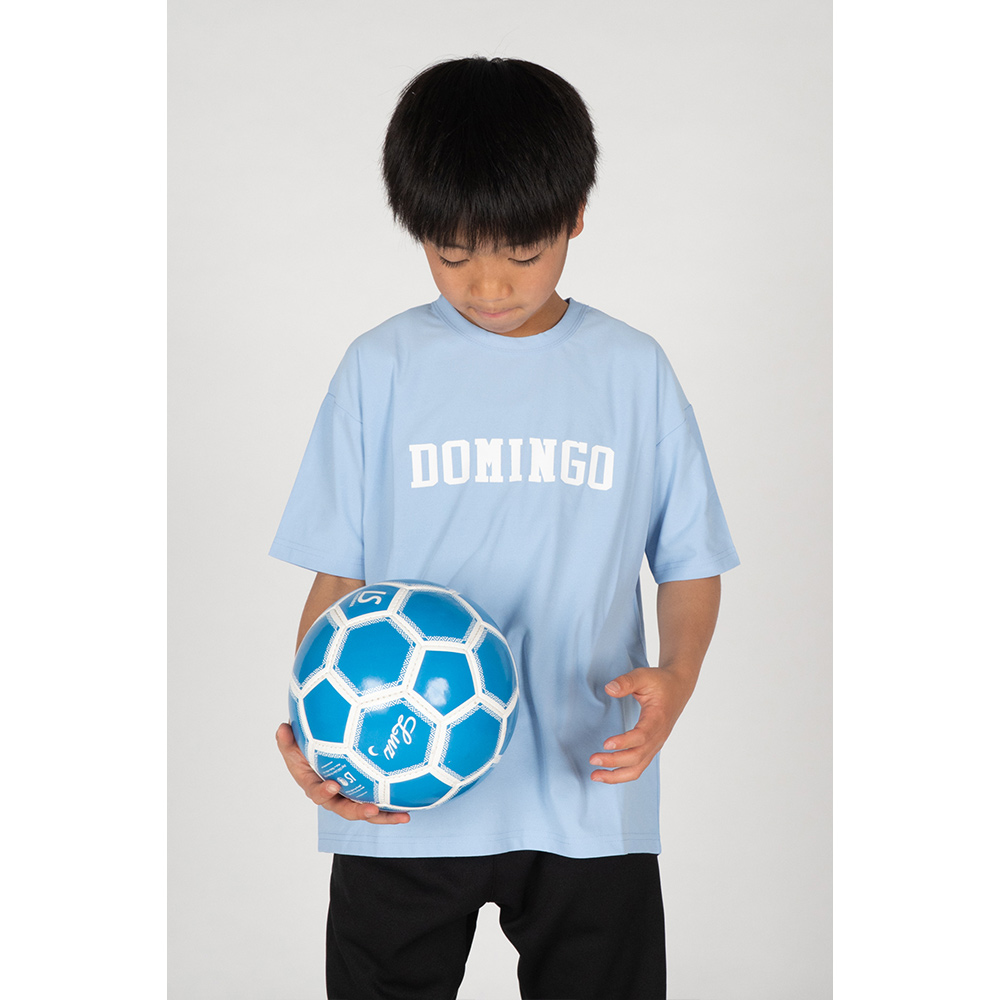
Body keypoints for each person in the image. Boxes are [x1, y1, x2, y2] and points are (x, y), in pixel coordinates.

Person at [270, 55, 739, 1000]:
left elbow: (690, 560)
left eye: (521, 253)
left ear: (574, 217)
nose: (487, 284)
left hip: (587, 786)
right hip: (401, 785)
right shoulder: (379, 369)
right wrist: (320, 738)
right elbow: (338, 579)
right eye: (452, 254)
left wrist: (678, 679)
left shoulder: (631, 371)